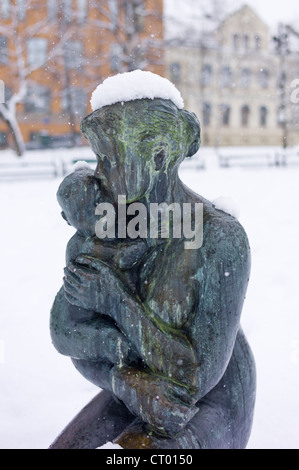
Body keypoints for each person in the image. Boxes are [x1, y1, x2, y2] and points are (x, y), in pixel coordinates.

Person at [50, 82, 256, 449]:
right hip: (135, 386)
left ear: (158, 158)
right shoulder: (111, 225)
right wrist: (125, 382)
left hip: (209, 402)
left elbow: (193, 375)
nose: (97, 174)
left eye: (109, 160)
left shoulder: (218, 239)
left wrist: (116, 303)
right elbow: (67, 333)